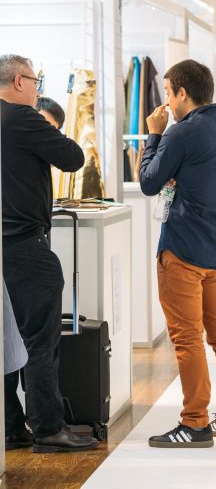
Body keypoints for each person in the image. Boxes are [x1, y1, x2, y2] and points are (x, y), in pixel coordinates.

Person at [139, 59, 216, 448]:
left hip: (183, 249)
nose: (167, 102)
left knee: (187, 339)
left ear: (182, 92)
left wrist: (154, 135)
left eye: (169, 93)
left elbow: (149, 182)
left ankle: (195, 423)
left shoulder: (180, 132)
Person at [0, 54, 98, 452]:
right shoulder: (24, 119)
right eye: (35, 82)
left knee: (6, 340)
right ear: (19, 81)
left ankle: (10, 425)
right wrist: (44, 125)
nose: (38, 90)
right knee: (40, 340)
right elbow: (74, 157)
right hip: (26, 246)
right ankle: (48, 427)